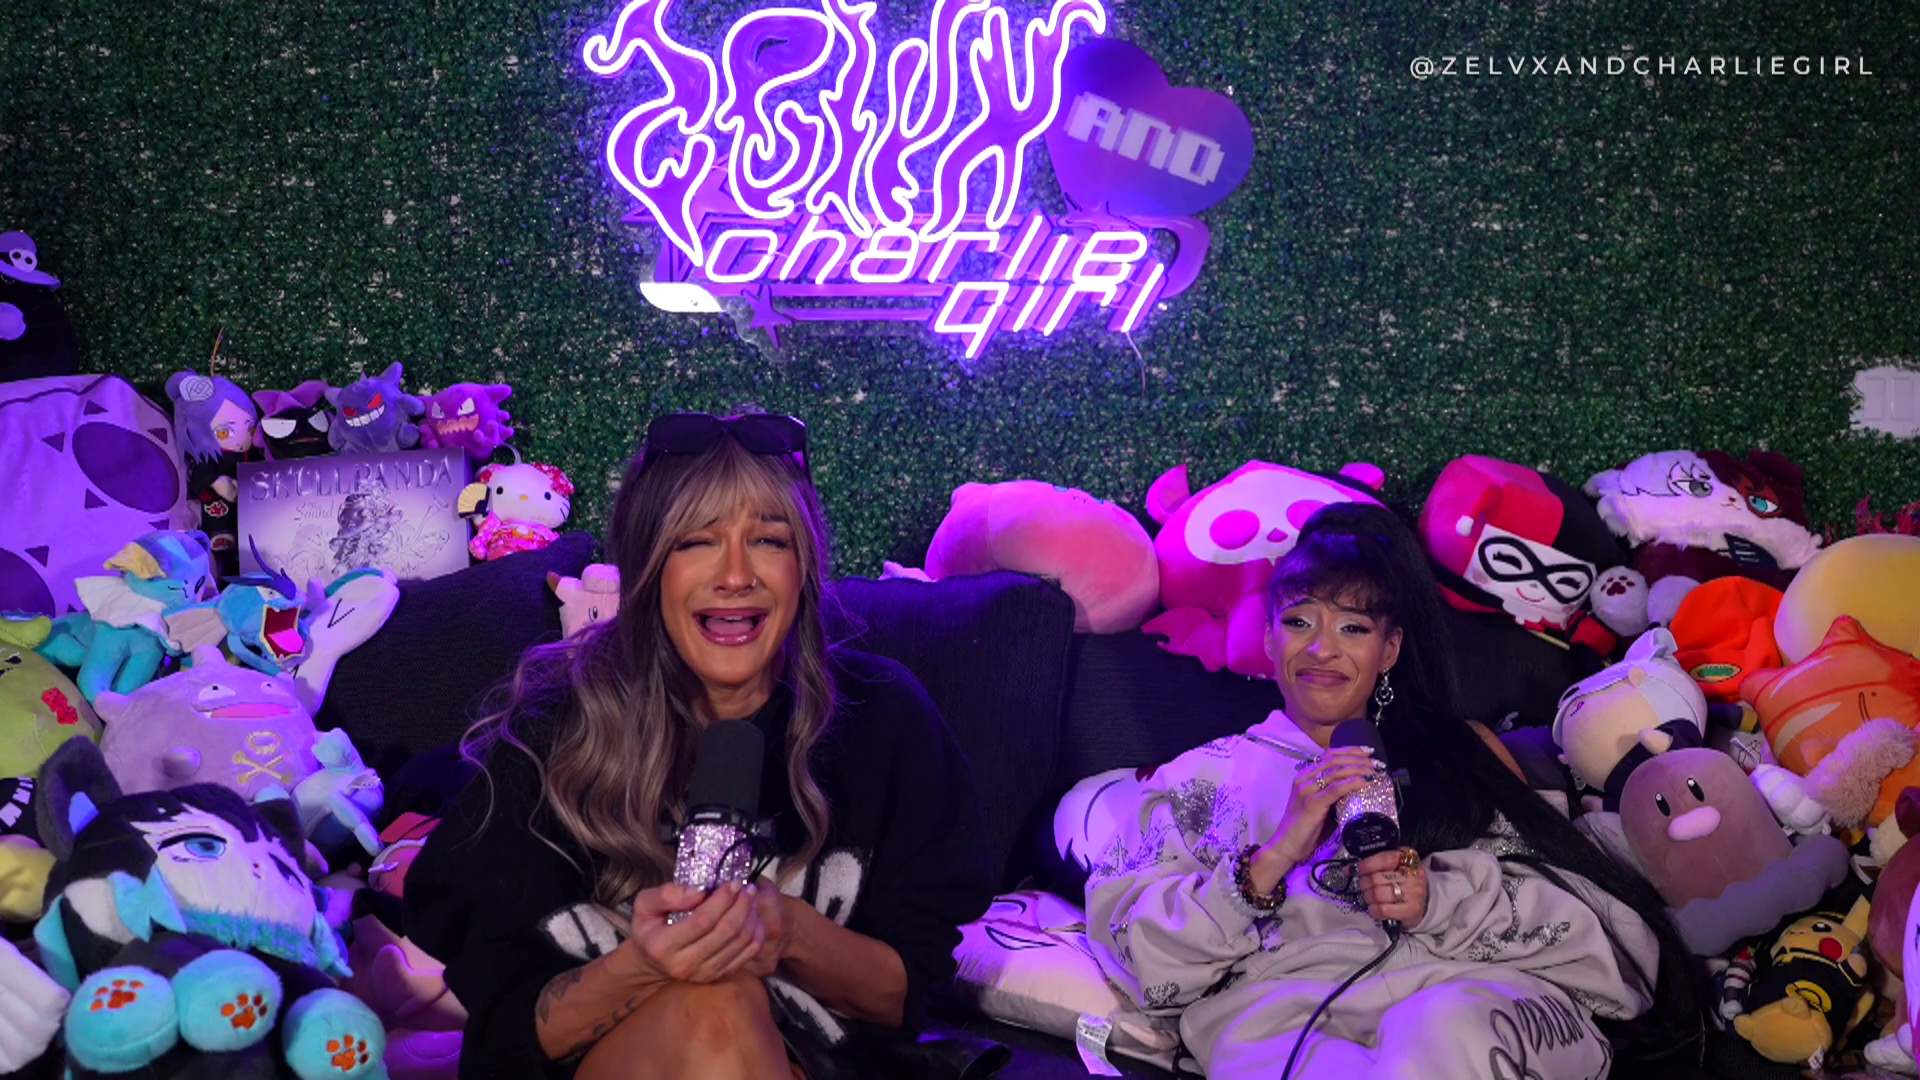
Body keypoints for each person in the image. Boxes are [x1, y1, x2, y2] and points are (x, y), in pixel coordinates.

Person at [406, 412, 995, 1080]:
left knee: (722, 1007)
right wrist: (643, 965)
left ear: (804, 565)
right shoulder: (555, 730)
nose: (736, 575)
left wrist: (786, 932)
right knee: (712, 1007)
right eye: (696, 541)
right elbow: (509, 1035)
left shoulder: (884, 717)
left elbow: (902, 1000)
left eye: (768, 540)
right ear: (647, 566)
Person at [1085, 502, 1703, 1079]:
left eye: (1353, 627)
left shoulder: (1458, 754)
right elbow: (1138, 964)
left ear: (1389, 650)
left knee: (1437, 1031)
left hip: (1467, 995)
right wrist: (1267, 865)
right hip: (1282, 1023)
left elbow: (1589, 929)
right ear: (1269, 636)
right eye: (1299, 621)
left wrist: (1437, 899)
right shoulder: (1195, 781)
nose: (1322, 649)